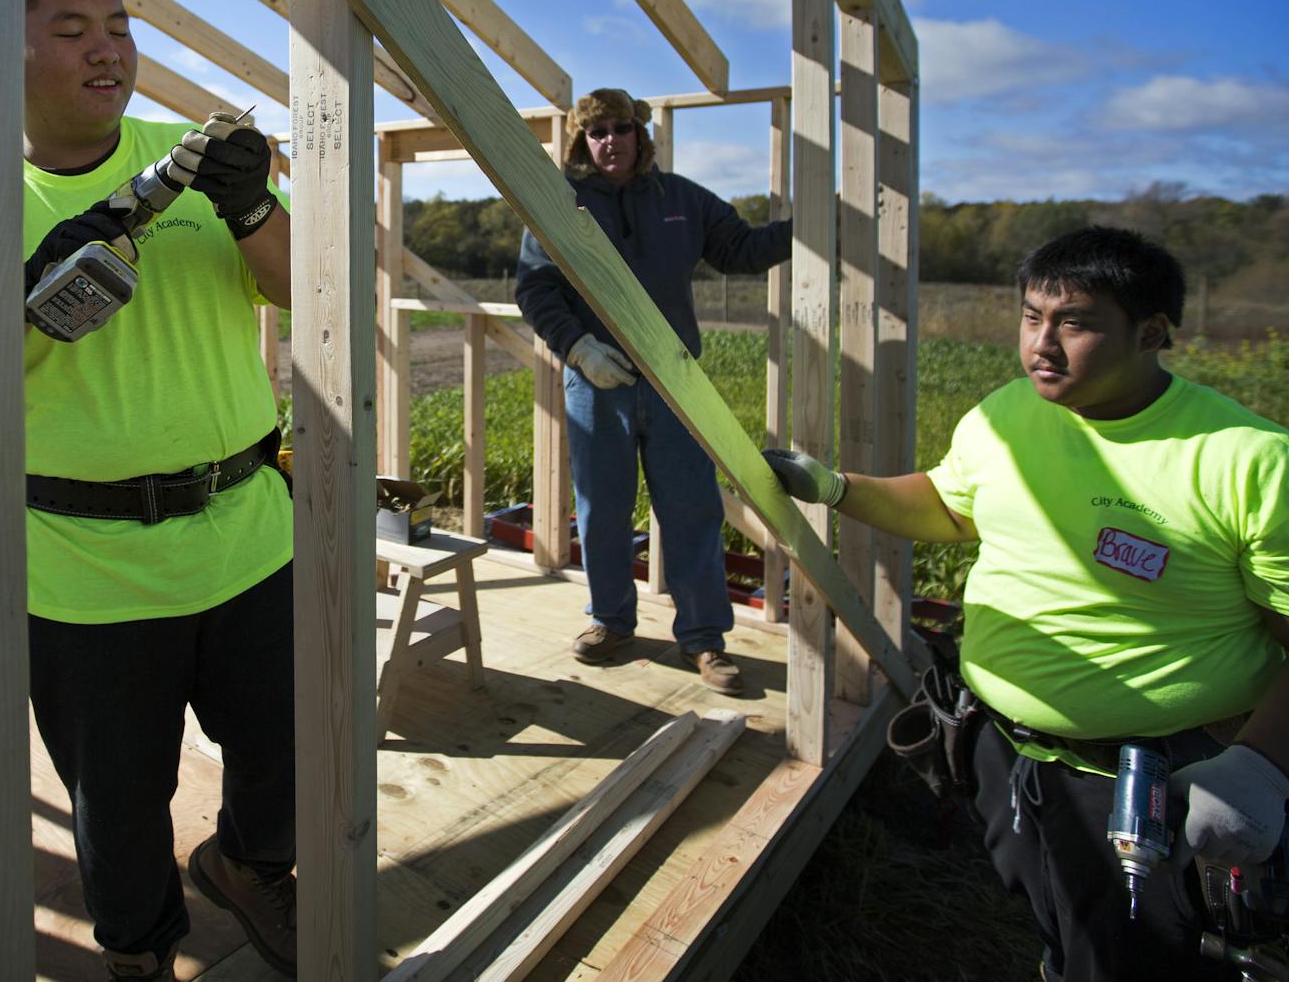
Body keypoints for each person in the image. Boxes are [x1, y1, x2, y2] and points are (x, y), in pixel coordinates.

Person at [764, 226, 1289, 981]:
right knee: (1054, 920)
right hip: (1002, 752)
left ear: (1152, 333)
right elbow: (949, 506)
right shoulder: (1009, 414)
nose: (1042, 343)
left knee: (1136, 959)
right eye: (1031, 316)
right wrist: (838, 490)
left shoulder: (1246, 459)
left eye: (1075, 322)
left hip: (1150, 784)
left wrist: (1264, 767)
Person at [22, 0, 296, 980]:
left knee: (289, 747)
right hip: (81, 565)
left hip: (244, 531)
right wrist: (28, 289)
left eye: (121, 26)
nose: (110, 49)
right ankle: (140, 952)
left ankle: (249, 865)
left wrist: (254, 207)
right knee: (118, 795)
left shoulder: (189, 162)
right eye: (72, 29)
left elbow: (297, 291)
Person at [516, 88, 791, 696]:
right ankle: (610, 621)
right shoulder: (562, 206)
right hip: (597, 380)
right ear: (582, 141)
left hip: (675, 381)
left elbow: (740, 249)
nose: (609, 140)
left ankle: (704, 640)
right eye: (597, 132)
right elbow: (535, 288)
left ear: (641, 134)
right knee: (602, 509)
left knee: (692, 508)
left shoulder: (681, 200)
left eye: (621, 128)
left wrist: (812, 229)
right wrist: (578, 348)